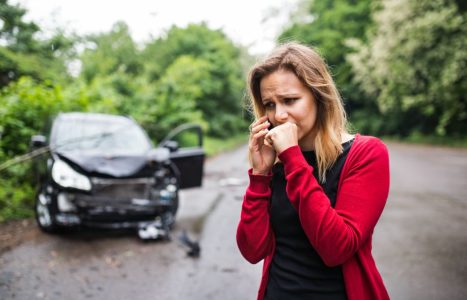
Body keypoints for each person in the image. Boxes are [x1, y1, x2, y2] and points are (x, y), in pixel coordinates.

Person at [236, 42, 390, 300]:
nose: (279, 115)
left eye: (289, 100)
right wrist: (260, 176)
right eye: (270, 104)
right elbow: (252, 250)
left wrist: (293, 159)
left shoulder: (366, 154)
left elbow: (336, 249)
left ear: (319, 97)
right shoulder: (275, 162)